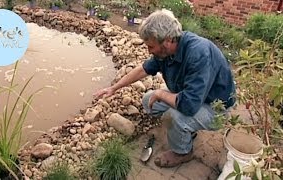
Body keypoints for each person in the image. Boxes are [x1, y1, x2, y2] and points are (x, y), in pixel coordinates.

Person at [93, 9, 236, 168]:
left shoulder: (198, 53)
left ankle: (183, 152)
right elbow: (143, 69)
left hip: (215, 108)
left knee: (174, 116)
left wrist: (161, 93)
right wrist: (114, 88)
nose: (149, 51)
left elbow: (189, 106)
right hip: (192, 96)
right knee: (149, 101)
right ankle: (186, 132)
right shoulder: (166, 52)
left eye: (151, 46)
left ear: (167, 41)